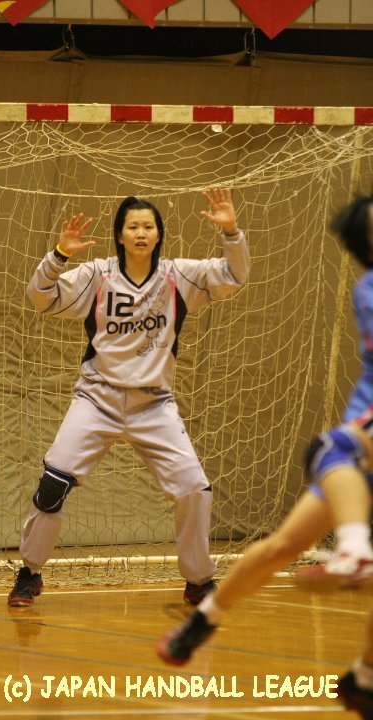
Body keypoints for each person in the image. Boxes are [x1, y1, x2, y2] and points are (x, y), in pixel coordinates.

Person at [156, 193, 373, 720]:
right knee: (285, 542)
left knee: (331, 449)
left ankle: (365, 674)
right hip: (363, 442)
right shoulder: (368, 290)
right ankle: (205, 618)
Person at [8, 187, 251, 608]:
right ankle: (29, 573)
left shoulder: (180, 276)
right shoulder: (97, 275)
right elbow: (40, 297)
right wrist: (59, 256)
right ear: (119, 235)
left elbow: (234, 275)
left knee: (194, 489)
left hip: (153, 404)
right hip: (96, 400)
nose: (141, 233)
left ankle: (198, 580)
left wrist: (231, 231)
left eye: (148, 226)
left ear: (158, 235)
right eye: (133, 226)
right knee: (52, 486)